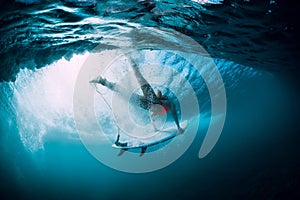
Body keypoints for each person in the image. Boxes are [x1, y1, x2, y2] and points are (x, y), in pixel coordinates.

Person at [90, 57, 185, 137]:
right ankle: (130, 57)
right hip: (152, 99)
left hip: (146, 104)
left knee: (124, 93)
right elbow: (174, 114)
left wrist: (155, 129)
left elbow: (152, 117)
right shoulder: (167, 104)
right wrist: (178, 127)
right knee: (138, 76)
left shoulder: (155, 112)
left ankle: (103, 81)